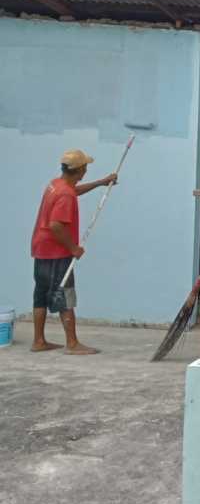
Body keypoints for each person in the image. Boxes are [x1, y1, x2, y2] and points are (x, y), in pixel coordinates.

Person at [31, 149, 118, 354]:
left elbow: (73, 191)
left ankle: (39, 341)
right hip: (57, 252)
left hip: (41, 248)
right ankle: (72, 344)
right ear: (79, 170)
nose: (86, 171)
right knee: (65, 294)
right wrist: (74, 248)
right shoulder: (66, 195)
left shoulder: (56, 184)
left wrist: (101, 182)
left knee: (40, 294)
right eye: (85, 167)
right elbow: (56, 225)